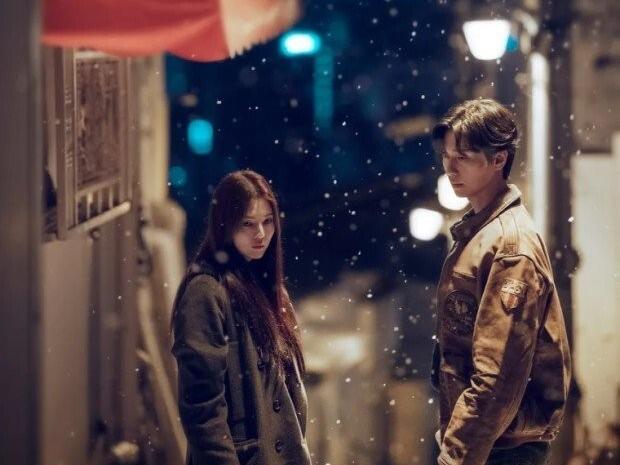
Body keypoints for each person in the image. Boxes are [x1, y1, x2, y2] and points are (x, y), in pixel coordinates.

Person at [430, 98, 572, 465]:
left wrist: (457, 456)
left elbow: (498, 375)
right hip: (490, 443)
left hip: (502, 449)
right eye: (446, 156)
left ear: (499, 159)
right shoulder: (480, 233)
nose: (450, 167)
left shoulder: (510, 247)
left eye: (463, 157)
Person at [171, 170, 311, 465]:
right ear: (226, 224)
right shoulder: (206, 292)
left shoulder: (267, 287)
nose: (260, 233)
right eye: (248, 224)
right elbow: (203, 408)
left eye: (267, 221)